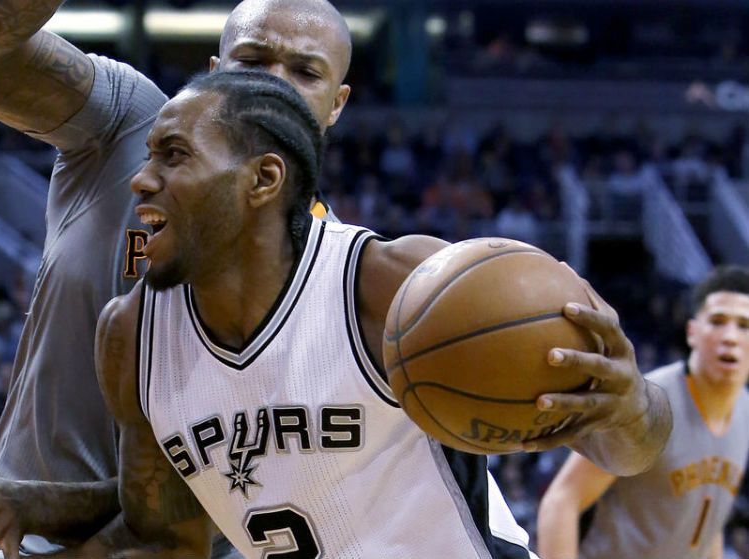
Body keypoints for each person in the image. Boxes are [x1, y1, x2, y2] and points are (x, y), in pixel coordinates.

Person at [79, 71, 670, 557]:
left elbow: (626, 451)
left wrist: (632, 409)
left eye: (173, 156)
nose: (141, 179)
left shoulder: (391, 283)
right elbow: (169, 543)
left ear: (263, 179)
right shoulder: (131, 337)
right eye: (149, 155)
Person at [0, 0, 350, 556]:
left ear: (336, 104)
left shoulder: (333, 281)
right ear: (214, 71)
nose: (276, 84)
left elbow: (205, 503)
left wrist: (44, 504)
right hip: (8, 540)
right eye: (252, 60)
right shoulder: (137, 123)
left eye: (305, 72)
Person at [537, 266, 749, 559]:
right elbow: (562, 500)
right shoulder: (650, 404)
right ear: (692, 332)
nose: (730, 337)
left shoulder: (745, 411)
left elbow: (707, 522)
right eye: (717, 321)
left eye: (744, 325)